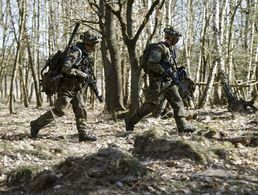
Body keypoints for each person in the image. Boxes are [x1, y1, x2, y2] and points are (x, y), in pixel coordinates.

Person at [30, 30, 102, 142]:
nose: (97, 47)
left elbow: (89, 74)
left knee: (81, 109)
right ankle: (36, 124)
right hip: (66, 87)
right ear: (89, 44)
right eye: (96, 44)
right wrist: (81, 74)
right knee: (60, 111)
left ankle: (83, 134)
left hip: (76, 88)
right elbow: (66, 68)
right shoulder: (76, 52)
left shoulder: (86, 54)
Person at [125, 26, 195, 133]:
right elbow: (152, 63)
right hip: (158, 82)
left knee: (178, 101)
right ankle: (130, 121)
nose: (177, 40)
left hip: (169, 82)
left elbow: (169, 65)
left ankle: (182, 126)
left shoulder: (170, 50)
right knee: (150, 106)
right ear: (171, 38)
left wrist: (178, 70)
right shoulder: (160, 48)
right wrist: (164, 72)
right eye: (176, 38)